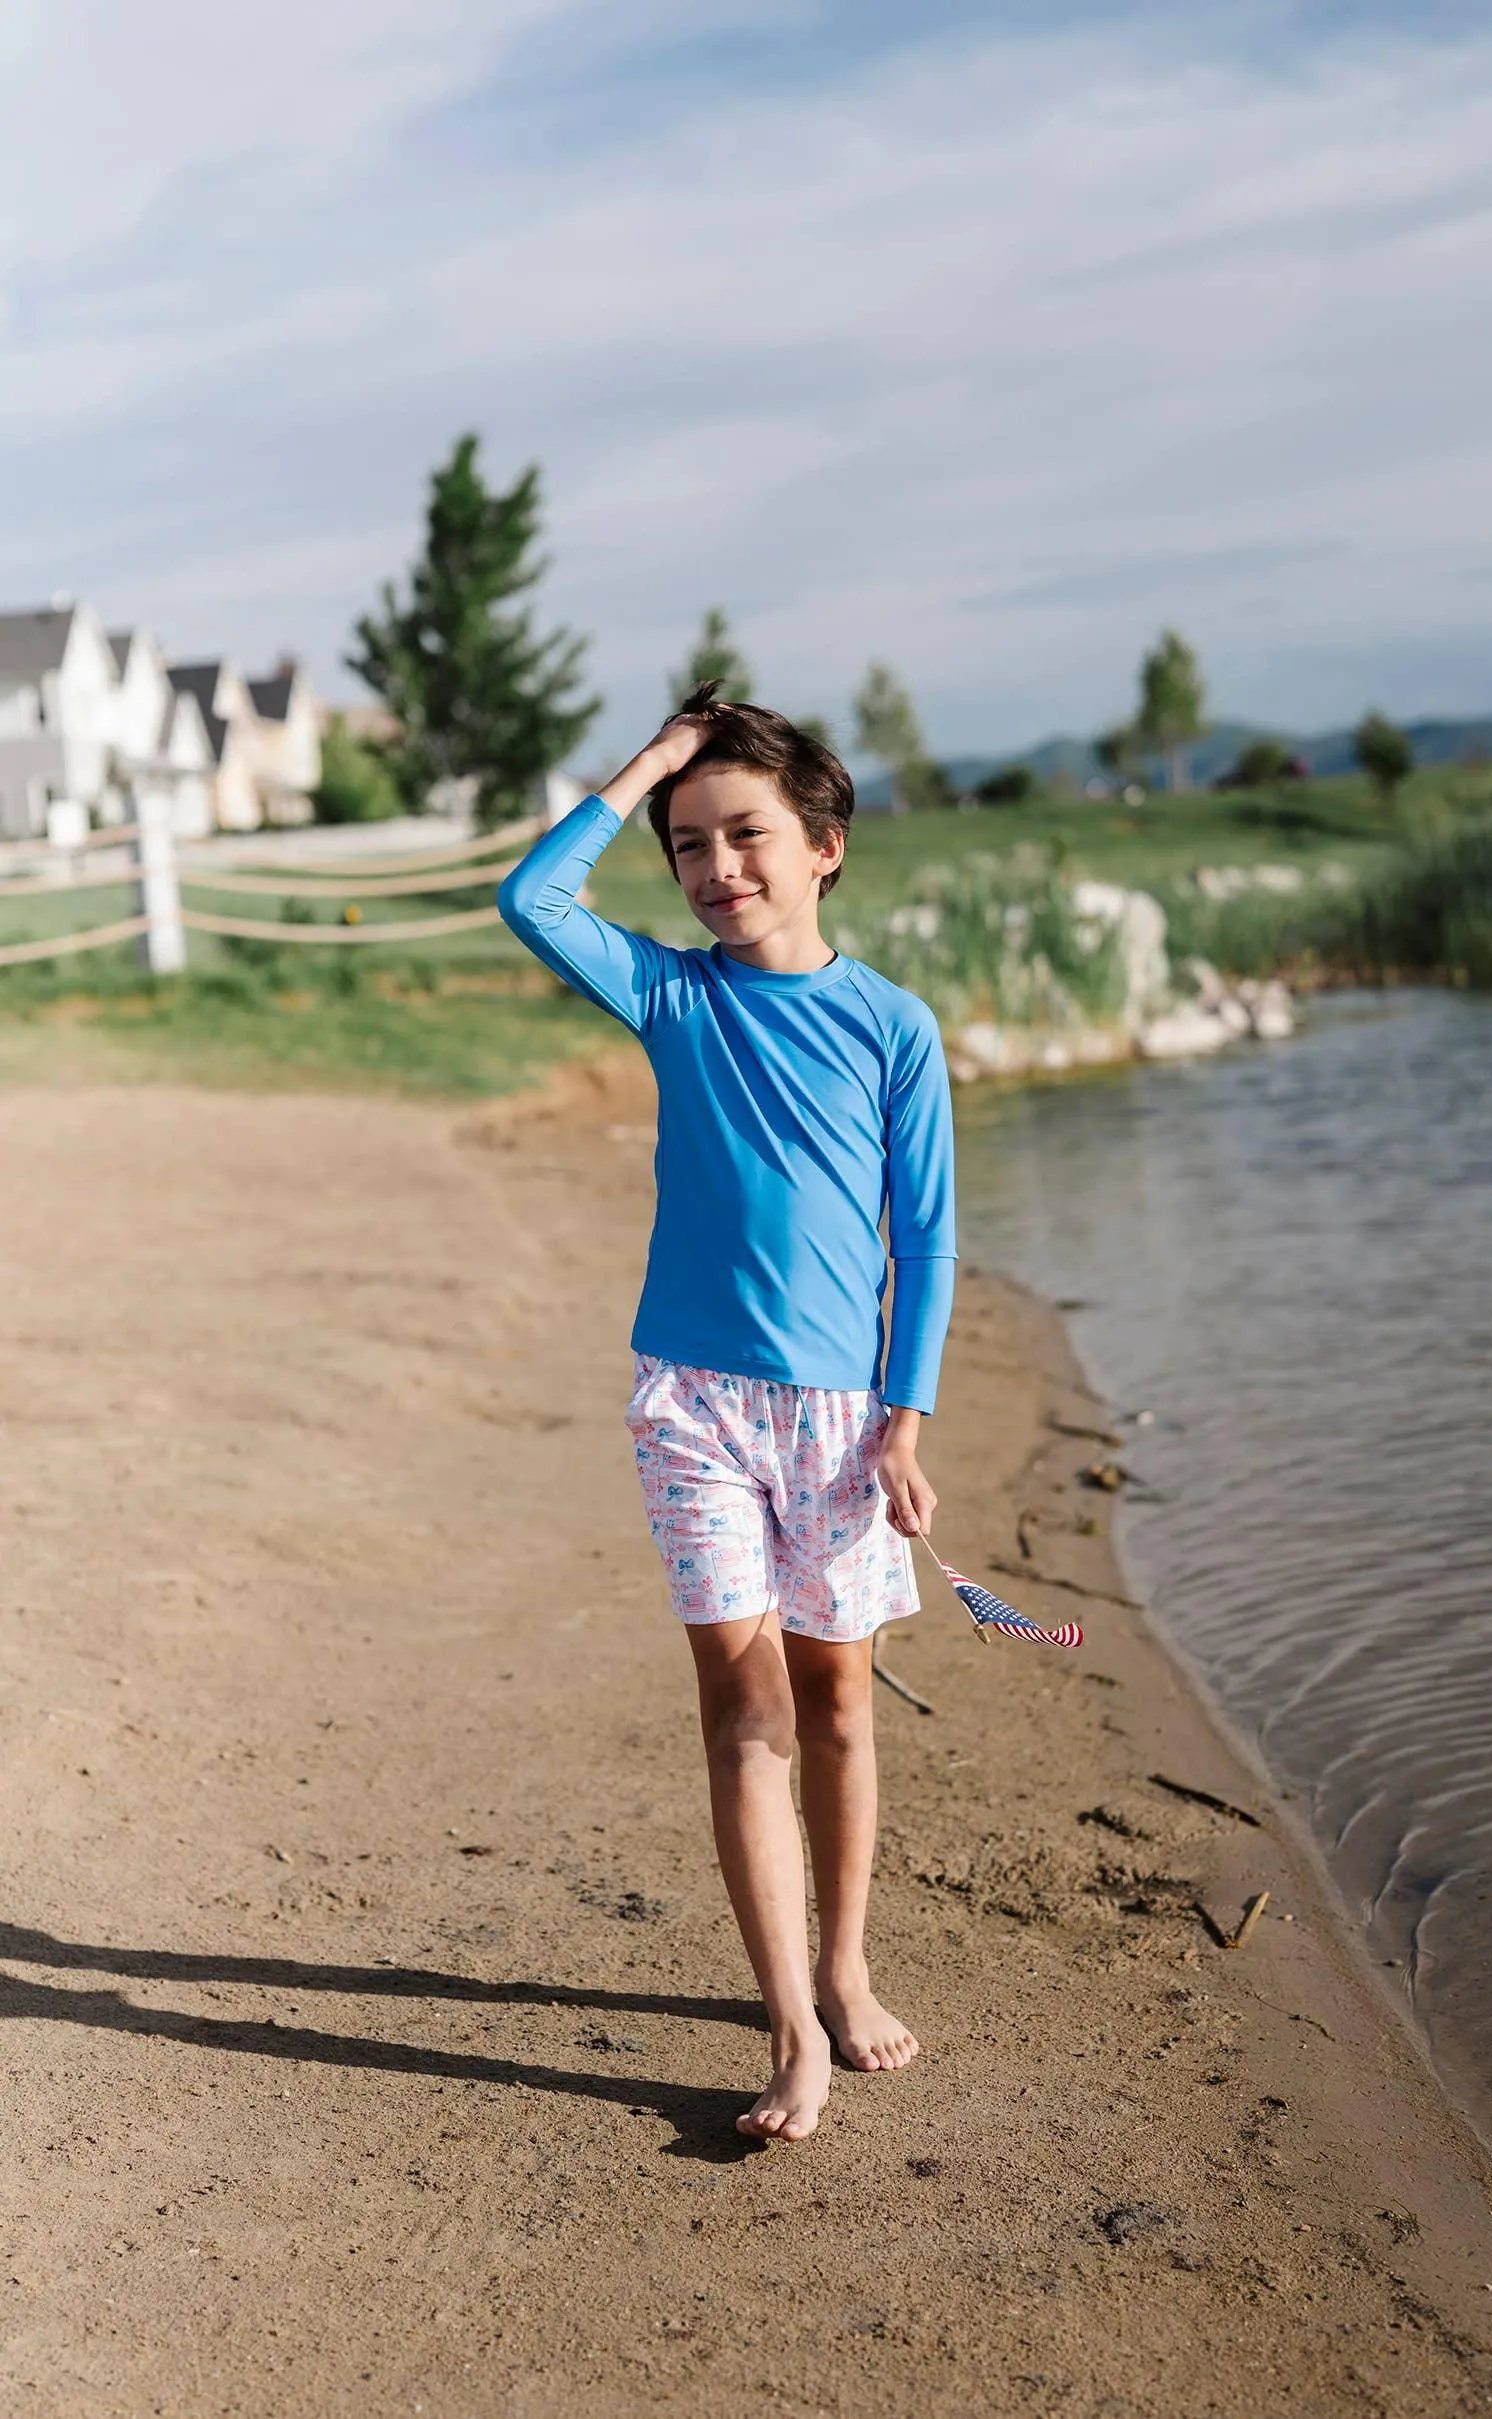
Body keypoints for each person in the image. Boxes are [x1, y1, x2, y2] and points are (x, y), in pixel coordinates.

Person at [497, 685, 955, 2142]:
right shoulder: (670, 993)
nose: (716, 867)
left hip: (838, 1417)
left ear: (822, 844)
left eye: (746, 834)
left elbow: (926, 1237)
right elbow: (529, 892)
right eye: (688, 844)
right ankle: (788, 2025)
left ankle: (845, 1958)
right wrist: (651, 761)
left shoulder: (891, 1025)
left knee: (832, 1700)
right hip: (689, 1400)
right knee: (740, 1705)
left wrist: (903, 1415)